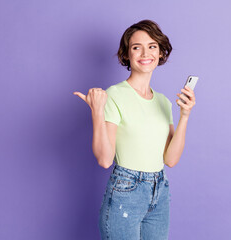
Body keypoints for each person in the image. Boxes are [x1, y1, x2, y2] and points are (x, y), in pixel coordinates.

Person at [73, 19, 196, 240]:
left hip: (160, 193)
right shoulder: (115, 95)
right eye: (136, 47)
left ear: (160, 53)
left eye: (152, 46)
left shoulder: (164, 102)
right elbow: (104, 159)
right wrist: (97, 112)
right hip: (125, 193)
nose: (145, 53)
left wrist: (184, 116)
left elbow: (171, 160)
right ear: (127, 55)